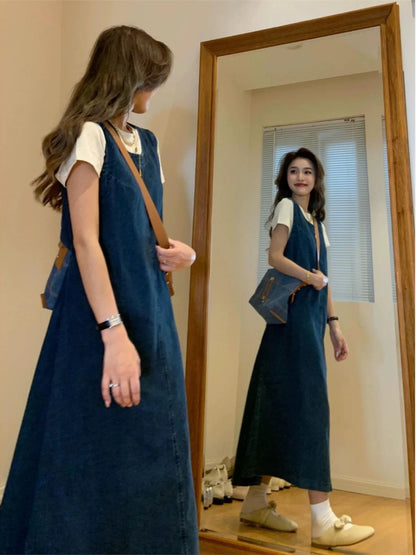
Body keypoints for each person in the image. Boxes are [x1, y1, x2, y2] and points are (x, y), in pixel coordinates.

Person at [0, 26, 199, 555]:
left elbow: (139, 231)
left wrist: (183, 254)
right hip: (99, 320)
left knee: (153, 448)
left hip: (150, 312)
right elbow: (86, 242)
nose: (154, 90)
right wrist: (113, 334)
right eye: (151, 78)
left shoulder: (148, 143)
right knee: (87, 449)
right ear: (129, 76)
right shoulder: (90, 135)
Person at [232, 148, 374, 549]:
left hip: (310, 326)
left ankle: (254, 503)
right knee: (311, 409)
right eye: (293, 171)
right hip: (291, 326)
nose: (300, 177)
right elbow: (275, 257)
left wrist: (335, 326)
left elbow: (324, 280)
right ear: (286, 178)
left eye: (307, 171)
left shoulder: (317, 223)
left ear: (316, 179)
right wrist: (310, 278)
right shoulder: (286, 209)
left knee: (277, 404)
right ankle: (323, 520)